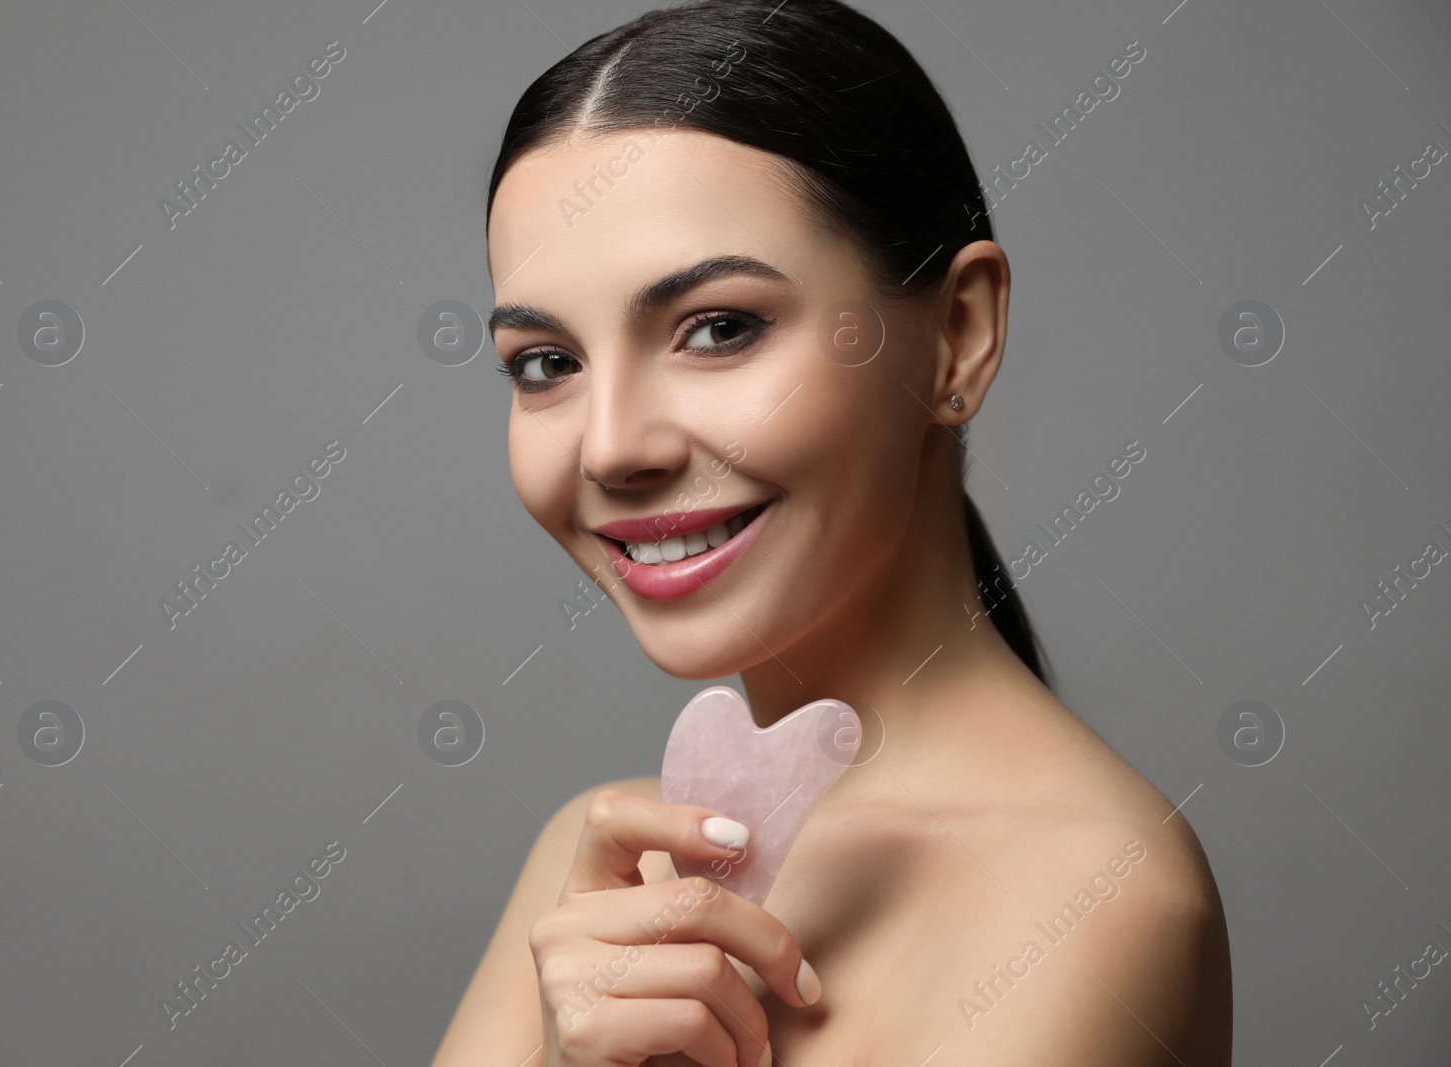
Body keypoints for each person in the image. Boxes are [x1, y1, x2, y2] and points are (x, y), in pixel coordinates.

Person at [436, 0, 1232, 1062]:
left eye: (718, 328)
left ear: (957, 334)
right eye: (547, 363)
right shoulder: (596, 862)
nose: (612, 447)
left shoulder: (1093, 889)